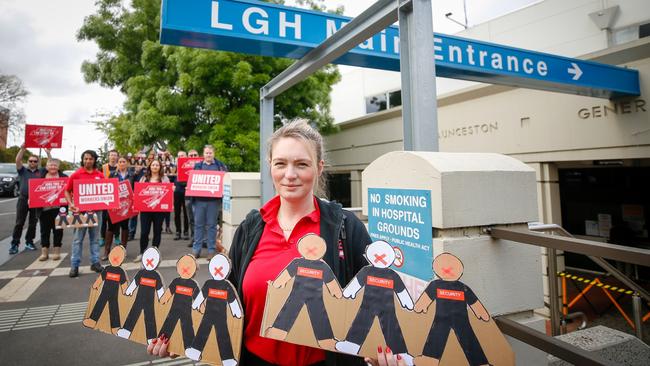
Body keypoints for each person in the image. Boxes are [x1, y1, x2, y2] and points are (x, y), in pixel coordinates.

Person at [149, 120, 403, 365]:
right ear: (270, 166)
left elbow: (377, 300)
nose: (290, 175)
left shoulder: (345, 227)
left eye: (302, 164)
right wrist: (180, 337)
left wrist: (386, 350)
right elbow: (226, 300)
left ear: (319, 167)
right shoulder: (251, 227)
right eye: (280, 163)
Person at [65, 149, 105, 278]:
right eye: (86, 158)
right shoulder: (76, 175)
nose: (88, 161)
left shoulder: (100, 175)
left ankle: (95, 262)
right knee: (78, 240)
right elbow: (67, 191)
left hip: (96, 212)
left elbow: (106, 191)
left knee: (95, 239)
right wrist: (71, 204)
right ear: (82, 160)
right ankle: (74, 265)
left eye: (91, 159)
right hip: (80, 212)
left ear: (94, 160)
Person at [10, 144, 51, 255]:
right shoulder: (22, 171)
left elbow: (50, 165)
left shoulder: (41, 172)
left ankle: (29, 242)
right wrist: (23, 149)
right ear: (28, 162)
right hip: (23, 199)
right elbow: (18, 160)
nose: (32, 163)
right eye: (30, 161)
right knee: (19, 223)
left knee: (33, 223)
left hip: (36, 200)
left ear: (37, 163)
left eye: (35, 161)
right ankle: (14, 244)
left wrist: (48, 153)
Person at [190, 145, 227, 258]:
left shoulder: (220, 166)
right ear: (203, 154)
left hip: (213, 202)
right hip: (199, 201)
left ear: (214, 154)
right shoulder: (198, 166)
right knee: (198, 225)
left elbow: (225, 180)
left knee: (211, 226)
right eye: (206, 153)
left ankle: (211, 250)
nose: (208, 155)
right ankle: (196, 250)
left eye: (210, 153)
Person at [136, 159, 170, 262]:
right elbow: (139, 193)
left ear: (160, 167)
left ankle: (155, 252)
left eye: (157, 165)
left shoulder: (164, 179)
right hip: (146, 211)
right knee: (144, 232)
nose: (155, 166)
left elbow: (168, 192)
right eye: (153, 165)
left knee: (157, 231)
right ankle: (142, 252)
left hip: (159, 211)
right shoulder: (144, 178)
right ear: (150, 167)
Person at [102, 156, 135, 261]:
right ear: (117, 164)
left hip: (126, 205)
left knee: (125, 227)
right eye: (119, 162)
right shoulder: (112, 175)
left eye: (123, 161)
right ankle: (107, 251)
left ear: (127, 163)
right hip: (114, 206)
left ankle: (123, 250)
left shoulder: (132, 175)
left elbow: (135, 188)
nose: (121, 163)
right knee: (110, 227)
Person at [36, 158, 68, 261]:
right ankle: (44, 253)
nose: (53, 167)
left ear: (58, 167)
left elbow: (69, 191)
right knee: (44, 231)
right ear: (46, 166)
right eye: (50, 165)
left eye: (55, 165)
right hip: (44, 209)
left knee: (58, 230)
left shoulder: (64, 177)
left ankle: (56, 252)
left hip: (59, 209)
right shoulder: (40, 176)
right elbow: (34, 191)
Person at [173, 151, 190, 241]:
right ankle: (178, 231)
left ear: (186, 157)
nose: (181, 157)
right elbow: (170, 179)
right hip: (177, 192)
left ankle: (186, 231)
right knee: (177, 213)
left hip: (187, 192)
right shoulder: (174, 168)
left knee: (186, 213)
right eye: (179, 156)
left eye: (182, 156)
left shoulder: (189, 167)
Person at [184, 149, 199, 246]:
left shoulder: (202, 167)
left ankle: (203, 240)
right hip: (189, 197)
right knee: (192, 219)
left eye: (195, 155)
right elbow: (179, 182)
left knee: (202, 220)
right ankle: (193, 238)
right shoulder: (183, 168)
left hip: (200, 197)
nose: (193, 157)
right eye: (191, 155)